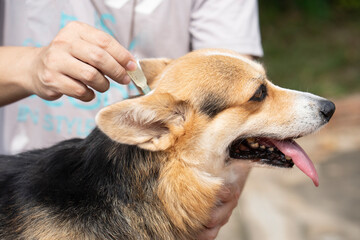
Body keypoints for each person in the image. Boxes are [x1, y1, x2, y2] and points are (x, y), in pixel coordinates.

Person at [0, 0, 263, 239]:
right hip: (28, 190)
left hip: (170, 200)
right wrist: (31, 65)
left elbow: (239, 96)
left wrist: (230, 179)